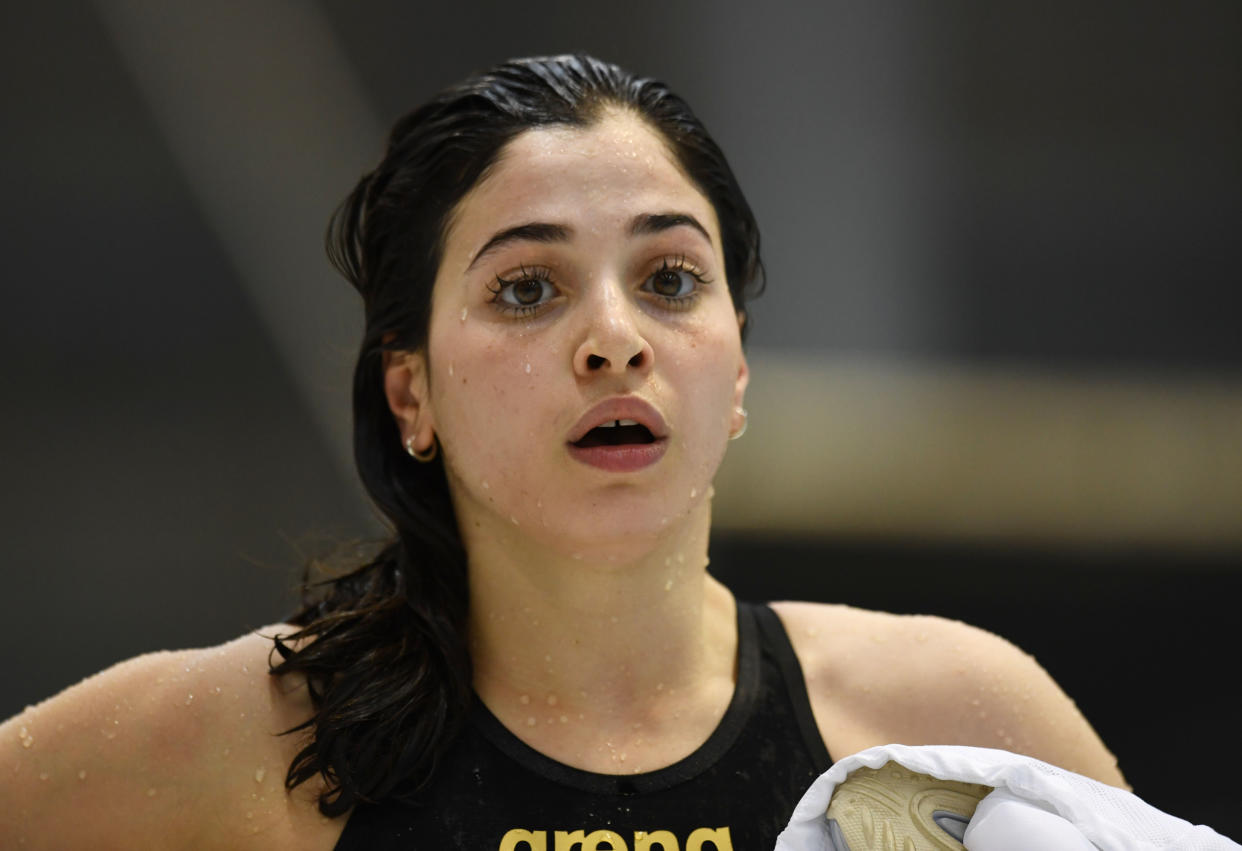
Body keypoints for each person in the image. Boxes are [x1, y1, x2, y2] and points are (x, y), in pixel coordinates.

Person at [0, 54, 1125, 850]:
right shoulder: (238, 738)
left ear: (736, 371)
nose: (615, 339)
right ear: (412, 392)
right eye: (527, 288)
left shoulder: (946, 725)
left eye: (671, 280)